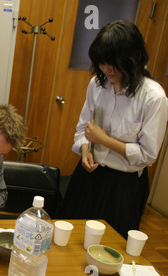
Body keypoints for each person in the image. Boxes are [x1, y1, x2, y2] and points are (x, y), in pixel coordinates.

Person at [60, 20, 167, 237]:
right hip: (89, 174)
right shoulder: (97, 85)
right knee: (71, 236)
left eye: (113, 63)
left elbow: (147, 155)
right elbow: (82, 130)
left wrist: (104, 140)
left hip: (123, 185)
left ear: (132, 60)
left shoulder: (153, 97)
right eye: (102, 62)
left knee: (111, 245)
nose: (106, 69)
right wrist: (85, 150)